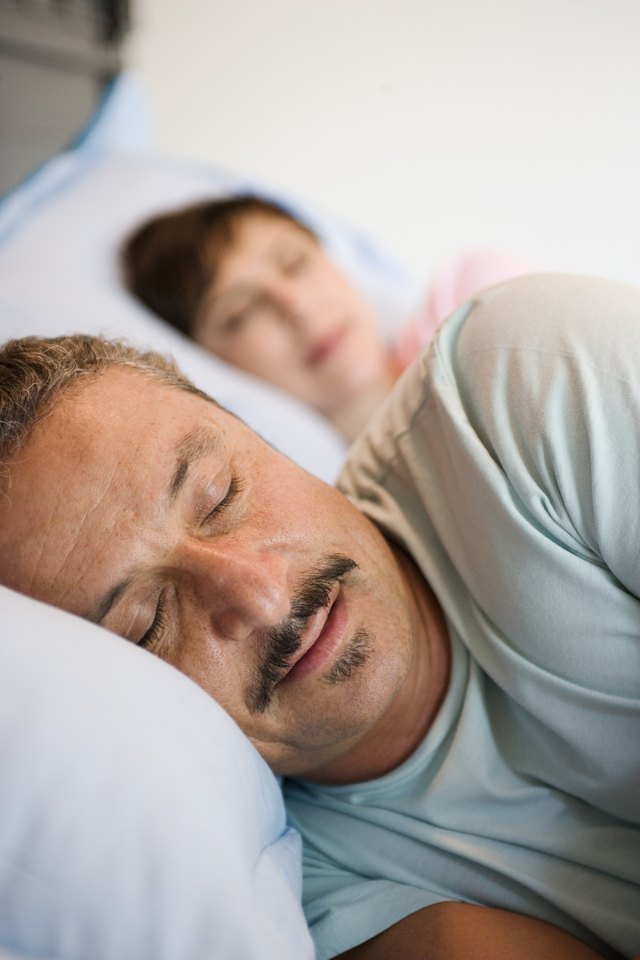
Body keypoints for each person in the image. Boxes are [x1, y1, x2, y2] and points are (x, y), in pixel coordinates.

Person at [0, 272, 638, 960]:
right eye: (147, 621)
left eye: (222, 496)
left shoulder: (518, 386)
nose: (263, 598)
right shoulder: (296, 894)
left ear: (258, 431)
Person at [121, 194, 532, 441]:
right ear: (211, 363)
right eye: (241, 313)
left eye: (294, 262)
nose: (295, 305)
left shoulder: (472, 300)